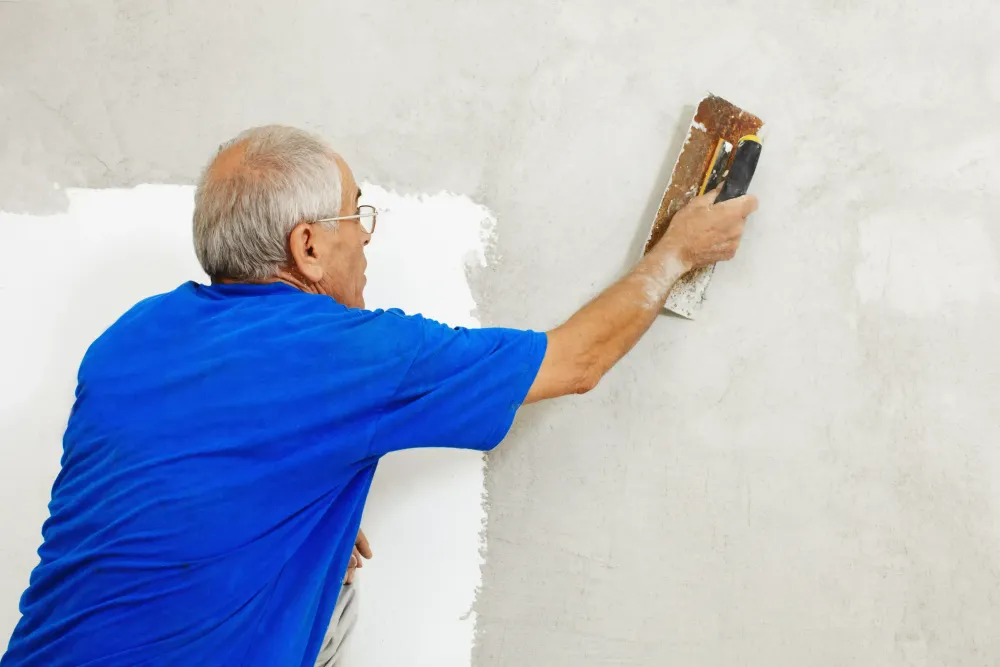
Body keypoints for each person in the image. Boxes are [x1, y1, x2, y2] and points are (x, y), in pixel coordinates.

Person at [1, 125, 758, 666]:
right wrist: (677, 253)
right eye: (355, 215)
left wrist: (301, 509)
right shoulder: (357, 354)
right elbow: (575, 361)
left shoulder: (129, 337)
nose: (366, 237)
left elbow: (160, 487)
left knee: (330, 596)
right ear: (307, 246)